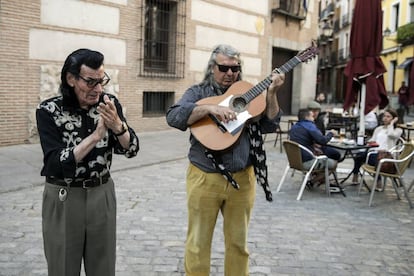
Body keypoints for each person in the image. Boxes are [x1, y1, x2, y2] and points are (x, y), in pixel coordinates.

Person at [166, 44, 285, 276]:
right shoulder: (198, 92)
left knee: (239, 245)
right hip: (204, 177)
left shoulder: (249, 92)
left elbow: (271, 124)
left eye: (235, 68)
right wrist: (210, 109)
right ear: (213, 68)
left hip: (243, 179)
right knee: (198, 243)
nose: (230, 73)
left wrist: (272, 93)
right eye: (224, 68)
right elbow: (174, 116)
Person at [36, 48, 139, 276]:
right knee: (63, 267)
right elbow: (54, 162)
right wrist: (95, 137)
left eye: (101, 81)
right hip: (63, 197)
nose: (98, 89)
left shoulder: (109, 104)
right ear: (71, 79)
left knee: (103, 268)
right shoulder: (48, 111)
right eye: (91, 82)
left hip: (101, 194)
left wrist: (118, 127)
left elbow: (131, 149)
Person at [351, 108, 402, 188]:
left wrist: (391, 124)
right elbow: (373, 140)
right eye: (384, 116)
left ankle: (378, 179)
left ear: (394, 119)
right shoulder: (379, 129)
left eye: (388, 117)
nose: (385, 118)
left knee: (372, 158)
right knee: (358, 156)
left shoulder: (398, 130)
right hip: (374, 151)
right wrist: (367, 141)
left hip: (387, 156)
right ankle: (355, 174)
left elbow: (391, 135)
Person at [289, 108, 338, 174]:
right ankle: (314, 181)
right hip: (307, 161)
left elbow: (301, 140)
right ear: (307, 117)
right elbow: (322, 140)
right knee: (334, 164)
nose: (313, 119)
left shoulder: (294, 126)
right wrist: (331, 133)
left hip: (295, 161)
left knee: (322, 152)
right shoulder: (309, 126)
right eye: (312, 116)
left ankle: (315, 178)